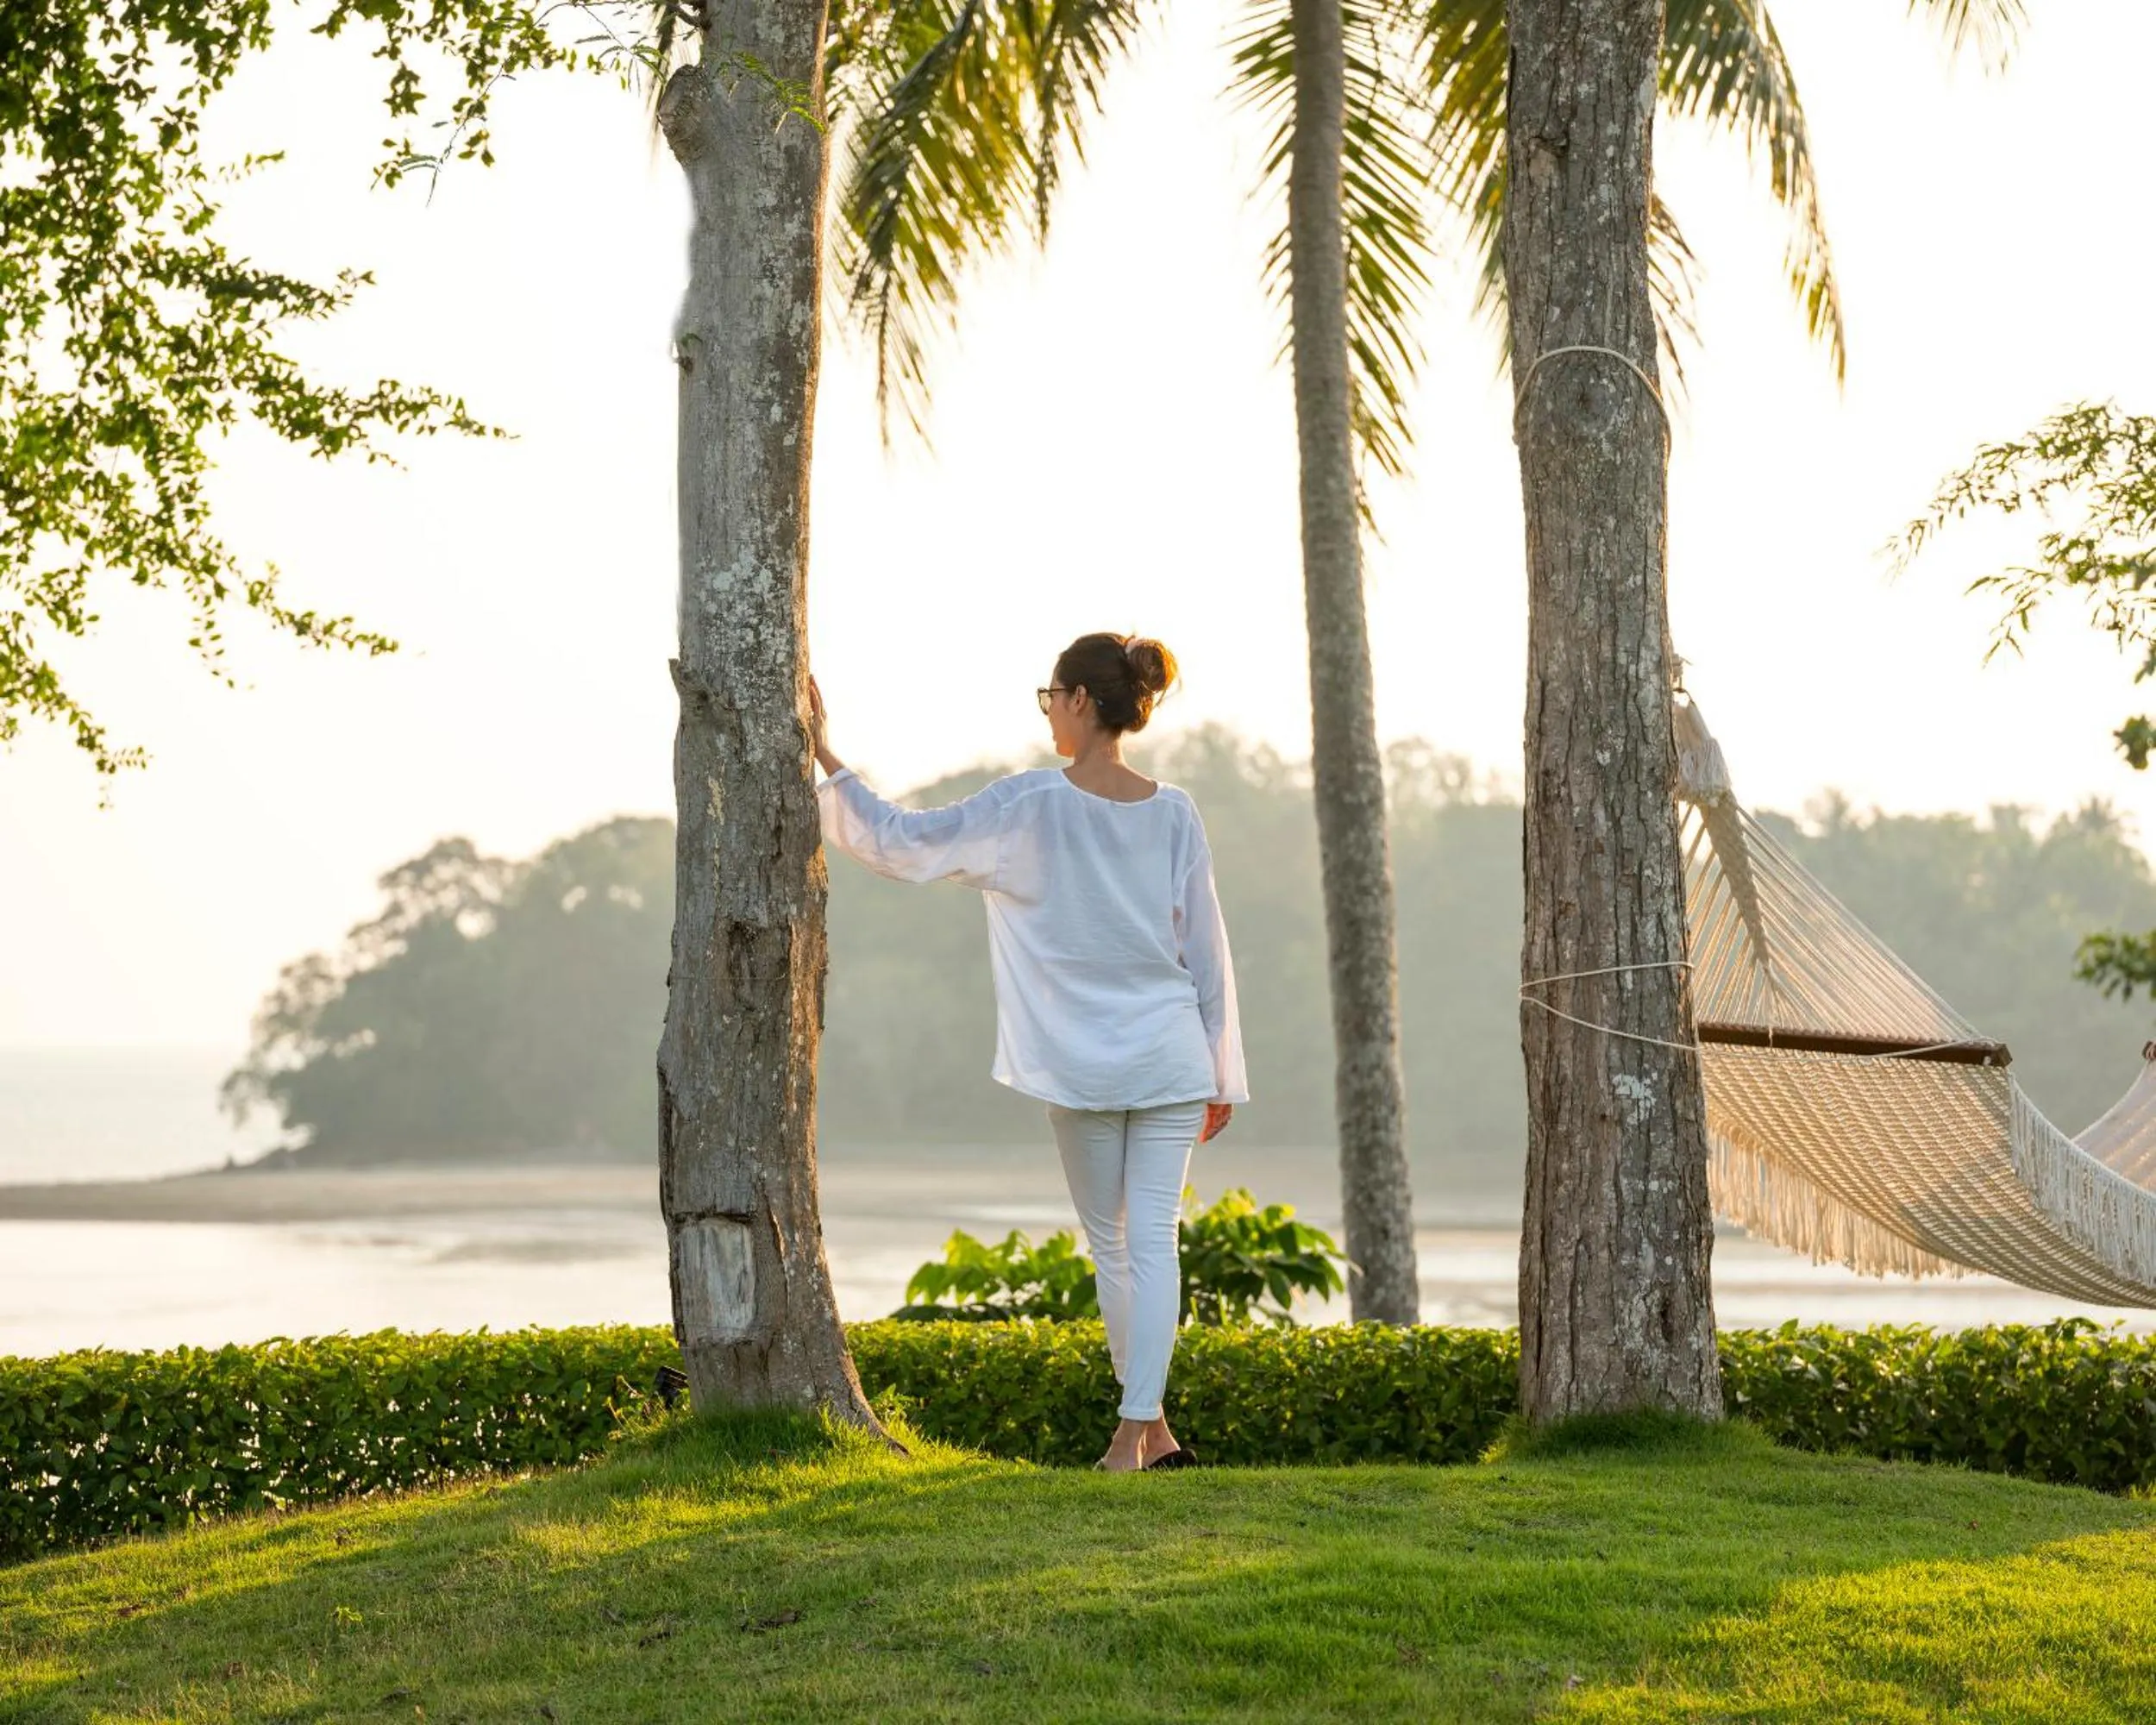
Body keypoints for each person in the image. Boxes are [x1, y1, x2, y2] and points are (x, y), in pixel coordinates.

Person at [809, 631, 1248, 1472]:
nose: (1047, 709)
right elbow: (1207, 947)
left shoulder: (1031, 804)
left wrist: (828, 756)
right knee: (1148, 1237)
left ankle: (1131, 1434)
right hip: (1168, 1049)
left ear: (1081, 700)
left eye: (1050, 695)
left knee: (1117, 1242)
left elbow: (904, 840)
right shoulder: (1173, 810)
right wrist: (1219, 1068)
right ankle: (1152, 1435)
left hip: (1085, 1058)